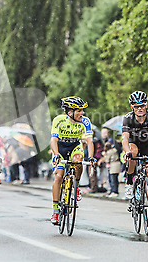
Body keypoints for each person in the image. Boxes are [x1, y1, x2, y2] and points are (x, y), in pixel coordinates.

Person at [50, 96, 96, 225]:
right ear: (70, 112)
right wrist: (56, 154)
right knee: (58, 177)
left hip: (75, 146)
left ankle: (76, 185)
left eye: (82, 110)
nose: (82, 113)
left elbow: (89, 140)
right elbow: (53, 140)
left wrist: (91, 156)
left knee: (78, 161)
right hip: (60, 148)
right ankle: (55, 211)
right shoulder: (58, 120)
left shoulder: (85, 121)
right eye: (79, 111)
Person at [122, 91, 148, 226]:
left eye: (141, 105)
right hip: (133, 144)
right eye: (136, 106)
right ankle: (129, 182)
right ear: (132, 107)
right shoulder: (128, 118)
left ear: (146, 105)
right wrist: (127, 152)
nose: (139, 108)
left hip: (147, 146)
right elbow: (125, 137)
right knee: (132, 153)